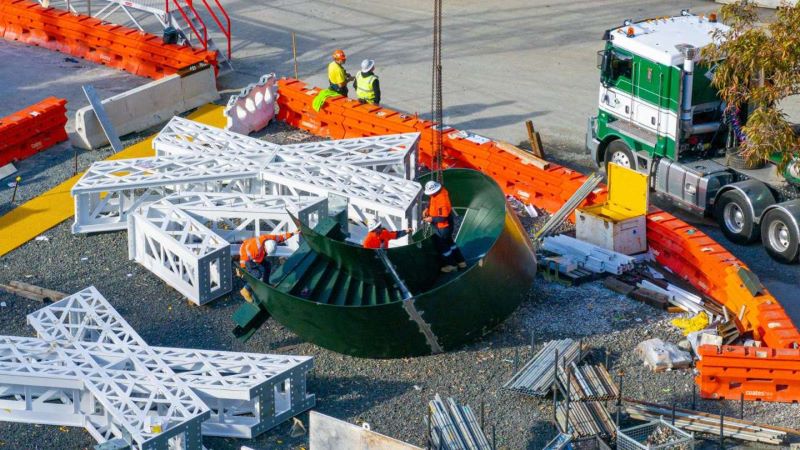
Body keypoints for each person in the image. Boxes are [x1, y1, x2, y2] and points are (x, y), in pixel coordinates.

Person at [238, 231, 297, 302]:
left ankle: (266, 283)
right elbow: (244, 258)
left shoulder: (270, 239)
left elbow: (281, 237)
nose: (267, 254)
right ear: (264, 247)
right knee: (257, 274)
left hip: (257, 255)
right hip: (246, 255)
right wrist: (242, 269)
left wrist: (292, 233)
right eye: (266, 252)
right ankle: (245, 290)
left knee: (267, 265)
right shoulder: (254, 249)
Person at [423, 180, 467, 273]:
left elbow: (443, 217)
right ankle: (461, 262)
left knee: (443, 246)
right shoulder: (440, 192)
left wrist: (431, 219)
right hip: (446, 225)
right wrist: (427, 208)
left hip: (443, 227)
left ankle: (452, 265)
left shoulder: (441, 200)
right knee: (450, 243)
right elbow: (431, 200)